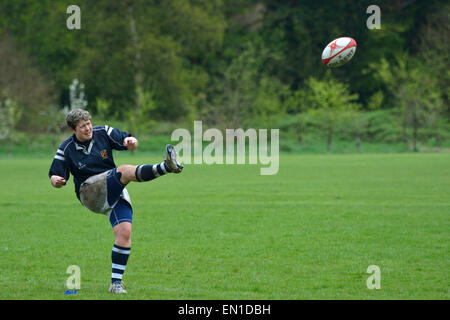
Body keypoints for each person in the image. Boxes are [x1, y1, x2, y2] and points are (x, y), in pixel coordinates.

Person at [48, 108, 183, 294]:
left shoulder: (102, 132)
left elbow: (127, 140)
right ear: (73, 130)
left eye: (88, 123)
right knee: (124, 171)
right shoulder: (66, 148)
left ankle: (115, 284)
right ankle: (165, 167)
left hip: (111, 188)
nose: (88, 128)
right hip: (89, 192)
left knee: (124, 232)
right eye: (82, 127)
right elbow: (55, 173)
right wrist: (56, 180)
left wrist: (131, 142)